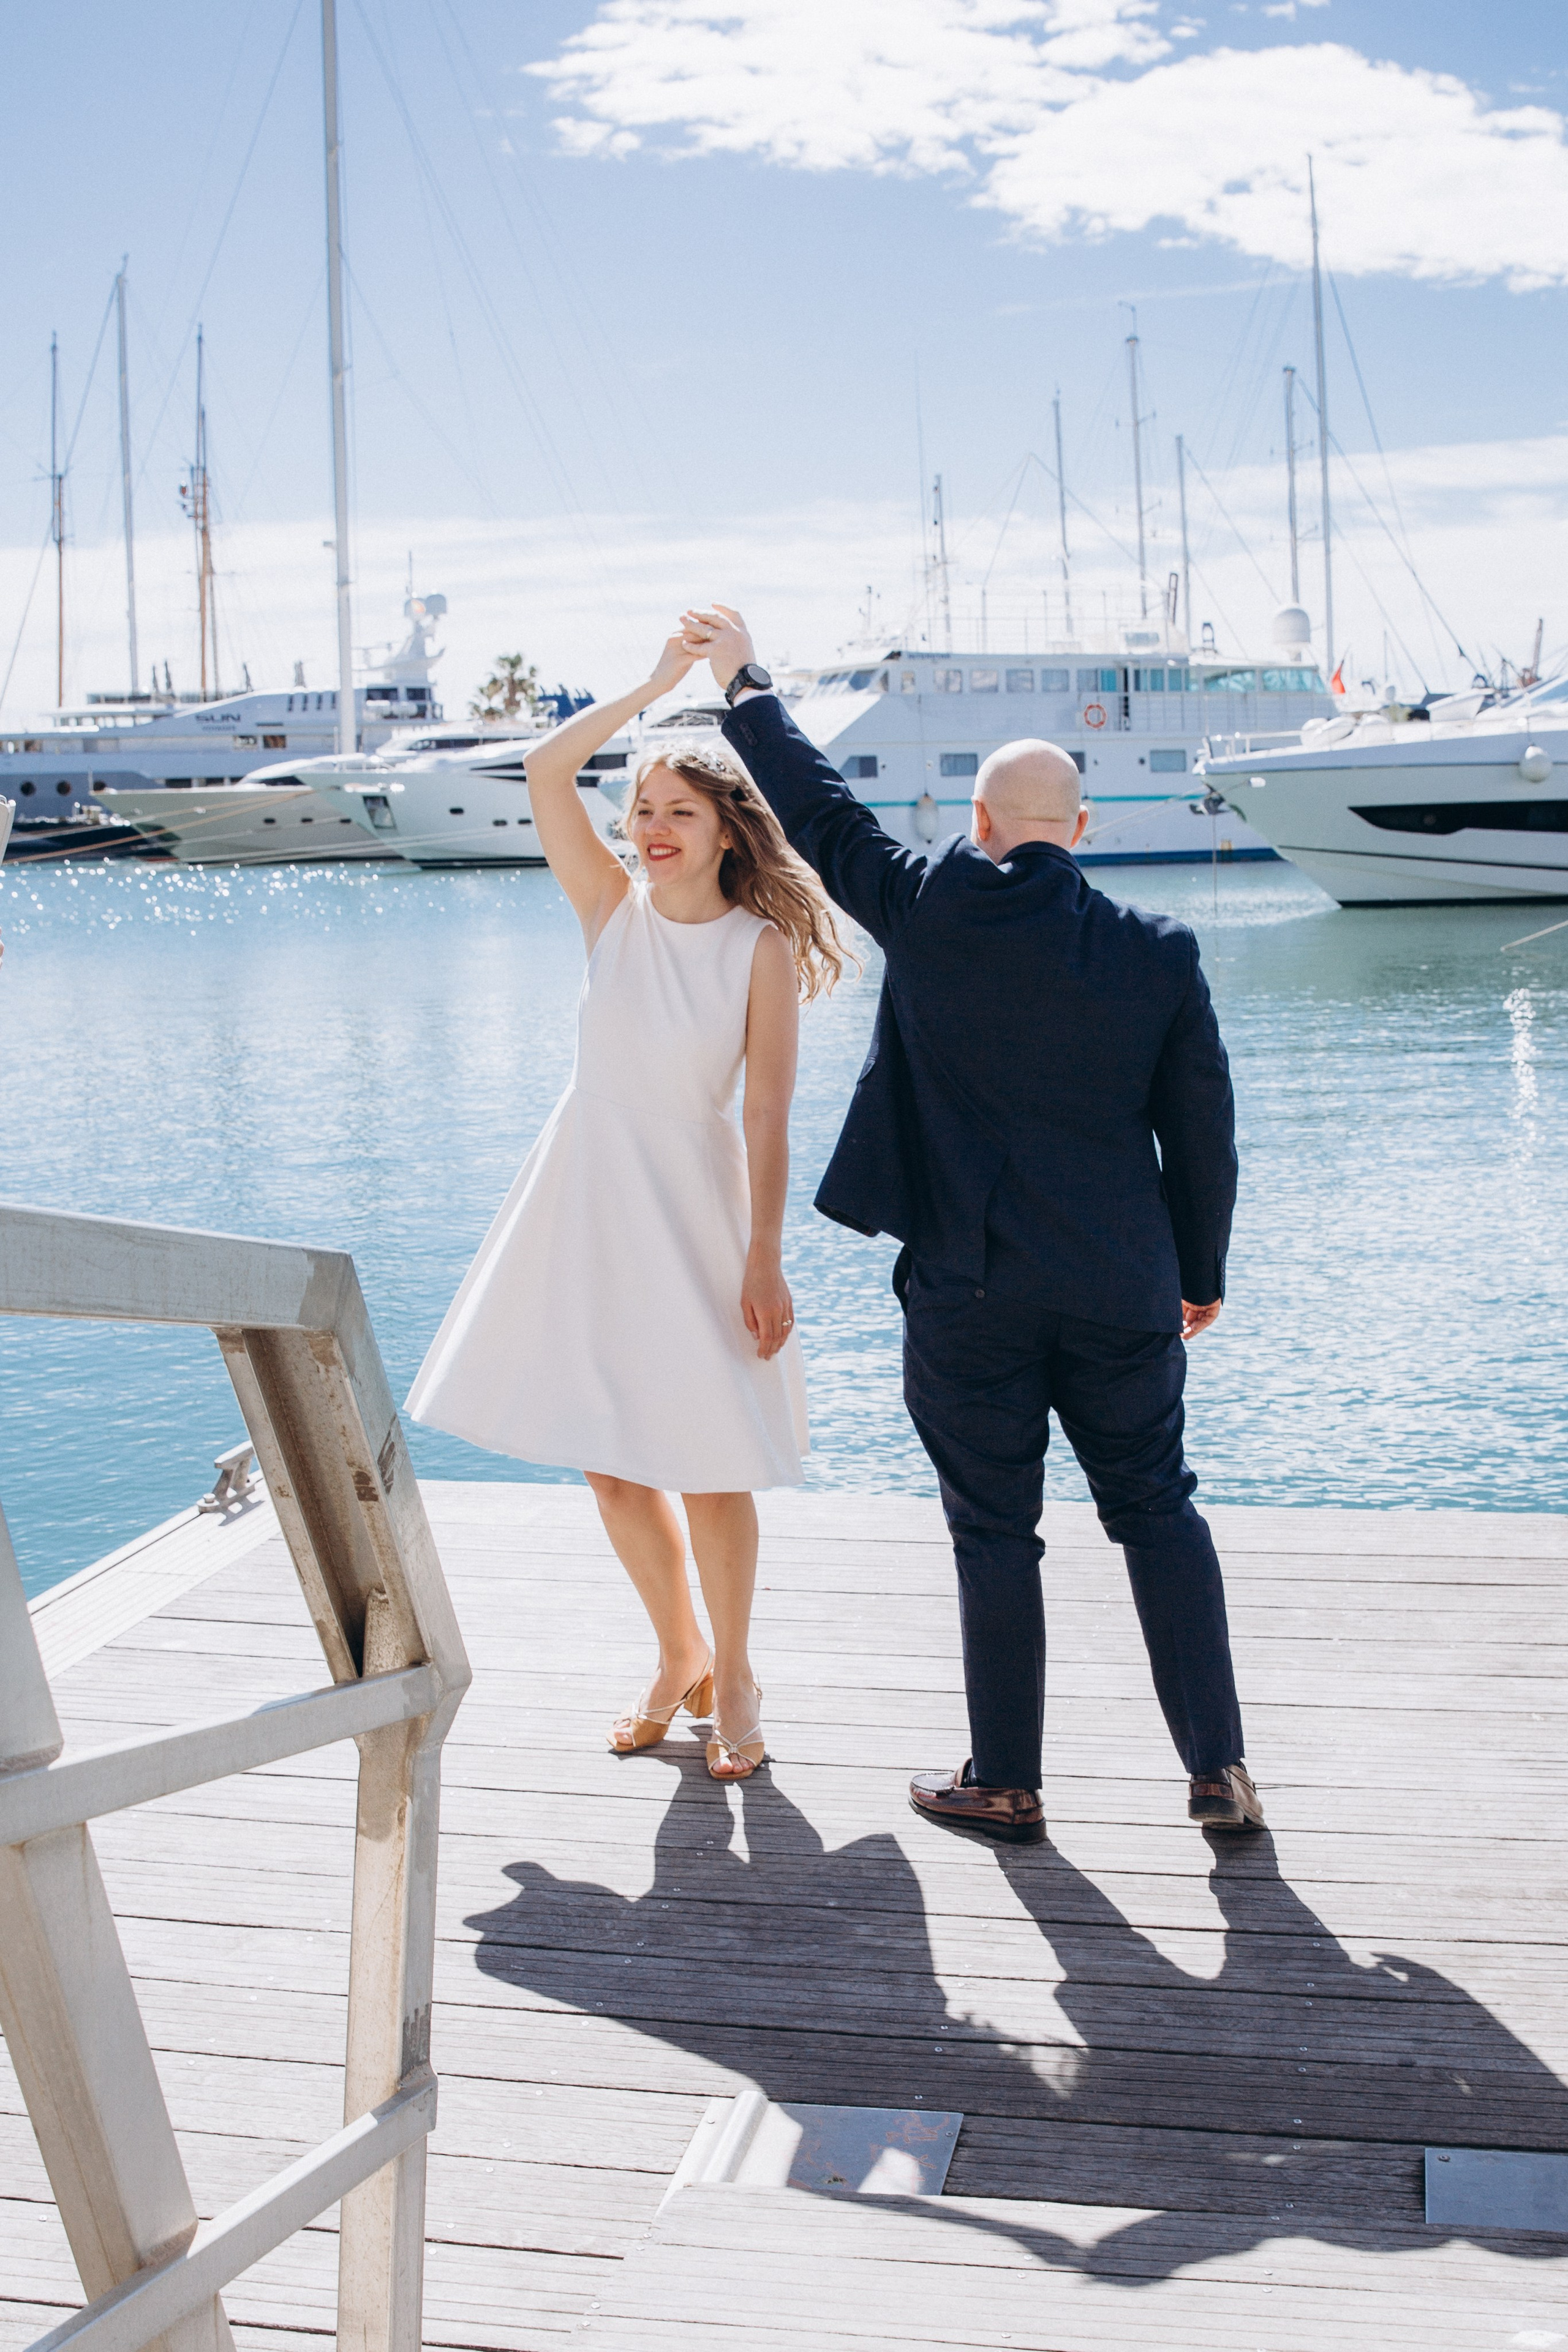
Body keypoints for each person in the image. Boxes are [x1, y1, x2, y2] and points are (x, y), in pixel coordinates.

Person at [679, 604, 1261, 1844]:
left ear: (981, 827)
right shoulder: (1156, 952)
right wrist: (1195, 1273)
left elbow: (817, 811)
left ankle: (1005, 1780)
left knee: (994, 1532)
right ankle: (1217, 1772)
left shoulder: (931, 906)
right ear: (1082, 832)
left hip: (970, 1290)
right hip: (1120, 1284)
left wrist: (744, 682)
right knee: (1156, 1507)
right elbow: (1200, 1135)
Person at [406, 633, 850, 1780]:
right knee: (610, 1462)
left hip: (694, 1215)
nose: (651, 829)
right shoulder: (610, 909)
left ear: (727, 832)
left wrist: (764, 1259)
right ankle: (678, 1654)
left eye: (678, 814)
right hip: (586, 1198)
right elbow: (547, 772)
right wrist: (658, 693)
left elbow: (765, 1119)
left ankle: (738, 1671)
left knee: (710, 1458)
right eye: (644, 808)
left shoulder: (759, 950)